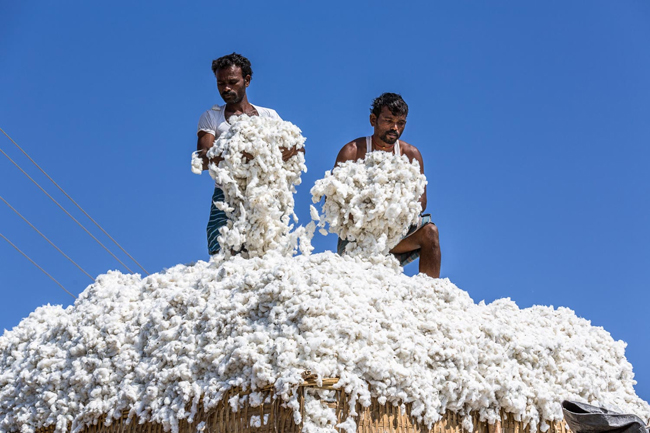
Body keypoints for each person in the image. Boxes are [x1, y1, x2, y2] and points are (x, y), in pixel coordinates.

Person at [196, 52, 297, 255]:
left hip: (265, 197)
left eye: (232, 82)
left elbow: (295, 148)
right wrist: (241, 157)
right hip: (226, 197)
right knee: (223, 254)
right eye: (220, 83)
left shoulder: (269, 115)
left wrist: (269, 155)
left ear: (247, 80)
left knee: (267, 254)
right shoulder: (212, 117)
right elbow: (202, 157)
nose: (226, 88)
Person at [333, 93, 441, 278]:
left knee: (430, 232)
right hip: (359, 236)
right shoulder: (352, 151)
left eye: (401, 123)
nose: (395, 128)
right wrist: (369, 215)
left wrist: (393, 213)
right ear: (373, 120)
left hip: (396, 233)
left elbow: (421, 202)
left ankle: (430, 292)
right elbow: (333, 198)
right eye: (389, 120)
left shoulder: (411, 155)